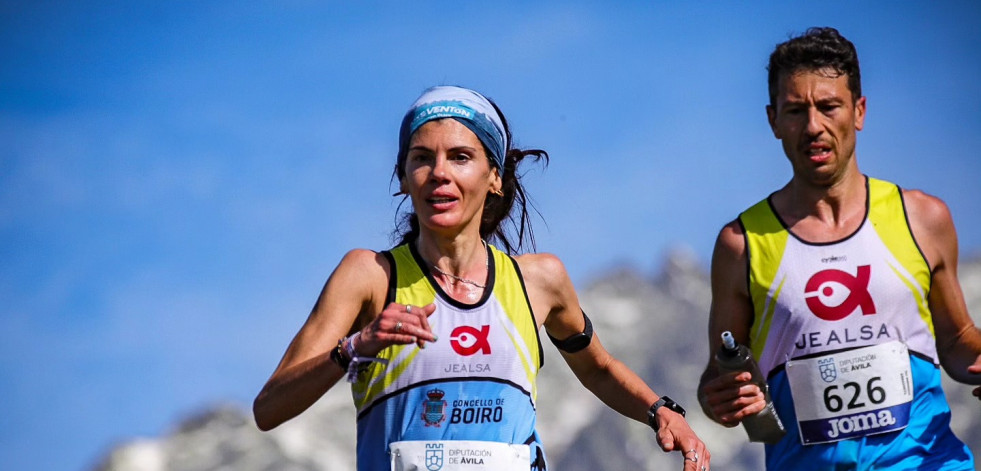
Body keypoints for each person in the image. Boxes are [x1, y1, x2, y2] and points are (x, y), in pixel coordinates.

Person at [254, 85, 710, 470]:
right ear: (403, 177)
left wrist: (660, 412)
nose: (439, 174)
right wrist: (355, 347)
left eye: (460, 157)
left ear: (494, 176)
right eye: (421, 158)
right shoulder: (369, 276)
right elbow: (269, 408)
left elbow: (600, 367)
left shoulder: (539, 281)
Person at [697, 27, 981, 470]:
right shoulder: (741, 244)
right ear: (773, 120)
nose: (814, 126)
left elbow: (958, 340)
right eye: (795, 111)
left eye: (829, 106)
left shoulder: (923, 219)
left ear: (859, 111)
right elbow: (719, 378)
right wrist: (723, 396)